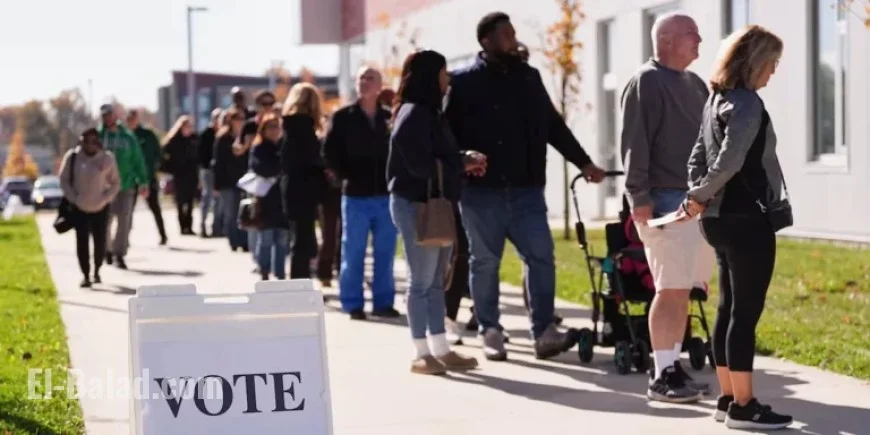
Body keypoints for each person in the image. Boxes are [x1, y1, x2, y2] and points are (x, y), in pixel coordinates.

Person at [445, 12, 605, 361]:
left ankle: (543, 331)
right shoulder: (461, 83)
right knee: (485, 262)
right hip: (480, 193)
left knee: (541, 258)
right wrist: (461, 158)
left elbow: (553, 126)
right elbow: (444, 136)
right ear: (486, 40)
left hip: (526, 190)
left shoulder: (529, 78)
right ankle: (490, 329)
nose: (514, 39)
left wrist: (584, 163)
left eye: (514, 33)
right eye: (506, 34)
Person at [682, 25, 792, 430]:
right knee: (744, 314)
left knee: (728, 309)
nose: (774, 71)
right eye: (772, 63)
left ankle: (729, 399)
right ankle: (745, 407)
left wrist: (697, 194)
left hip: (718, 222)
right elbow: (729, 160)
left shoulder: (717, 100)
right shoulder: (746, 103)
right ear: (755, 61)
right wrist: (701, 194)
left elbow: (697, 155)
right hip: (747, 220)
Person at [620, 12, 714, 402]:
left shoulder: (695, 83)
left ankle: (672, 368)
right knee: (669, 288)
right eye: (693, 34)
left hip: (696, 200)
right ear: (668, 40)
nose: (700, 40)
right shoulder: (645, 81)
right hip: (663, 200)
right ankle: (661, 377)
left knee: (683, 290)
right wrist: (638, 198)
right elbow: (634, 142)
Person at [388, 50, 487, 374]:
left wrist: (462, 158)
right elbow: (418, 163)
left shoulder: (431, 113)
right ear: (431, 76)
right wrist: (457, 164)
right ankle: (421, 352)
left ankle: (441, 348)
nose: (448, 79)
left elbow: (435, 155)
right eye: (444, 72)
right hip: (418, 205)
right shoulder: (413, 112)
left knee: (434, 284)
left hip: (435, 204)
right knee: (421, 282)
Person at [323, 66, 399, 320]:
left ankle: (383, 302)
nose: (365, 82)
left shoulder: (389, 117)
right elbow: (329, 151)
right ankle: (352, 303)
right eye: (361, 78)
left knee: (385, 253)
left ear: (380, 86)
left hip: (386, 196)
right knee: (353, 252)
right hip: (355, 195)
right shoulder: (344, 116)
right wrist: (343, 175)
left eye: (370, 78)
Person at [59, 128, 121, 287]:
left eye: (93, 141)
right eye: (86, 141)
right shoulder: (73, 157)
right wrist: (74, 198)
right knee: (82, 243)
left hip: (100, 207)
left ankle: (97, 271)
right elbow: (64, 180)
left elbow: (115, 183)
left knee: (100, 242)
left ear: (98, 142)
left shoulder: (107, 159)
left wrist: (106, 198)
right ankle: (86, 274)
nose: (89, 145)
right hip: (80, 207)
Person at [281, 83, 328, 279]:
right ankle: (299, 285)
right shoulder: (305, 129)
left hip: (292, 187)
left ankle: (299, 282)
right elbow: (312, 159)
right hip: (306, 189)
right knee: (303, 242)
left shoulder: (288, 126)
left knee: (300, 239)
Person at [97, 103, 148, 270]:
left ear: (115, 116)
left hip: (126, 185)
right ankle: (107, 250)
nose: (107, 118)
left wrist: (143, 181)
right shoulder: (97, 136)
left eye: (110, 115)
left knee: (124, 220)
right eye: (104, 115)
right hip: (103, 188)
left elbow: (138, 159)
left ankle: (120, 253)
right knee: (105, 221)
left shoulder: (127, 137)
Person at [237, 90, 279, 273]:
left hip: (274, 179)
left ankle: (271, 262)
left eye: (271, 103)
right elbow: (238, 147)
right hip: (255, 176)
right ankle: (258, 259)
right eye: (264, 104)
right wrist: (251, 143)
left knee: (273, 223)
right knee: (256, 217)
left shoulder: (278, 123)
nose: (267, 107)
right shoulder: (249, 125)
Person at [249, 113, 291, 280]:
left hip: (283, 199)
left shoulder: (284, 147)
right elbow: (260, 168)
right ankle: (264, 270)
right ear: (263, 130)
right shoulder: (259, 148)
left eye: (277, 127)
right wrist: (277, 169)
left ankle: (280, 273)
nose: (274, 131)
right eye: (271, 127)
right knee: (266, 239)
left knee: (281, 240)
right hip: (265, 200)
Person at [127, 109, 167, 245]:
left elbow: (158, 153)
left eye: (133, 118)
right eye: (129, 119)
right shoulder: (126, 136)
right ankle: (124, 238)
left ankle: (163, 235)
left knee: (155, 207)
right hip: (130, 179)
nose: (131, 121)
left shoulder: (148, 135)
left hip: (148, 177)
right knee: (127, 210)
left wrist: (153, 168)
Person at [212, 107, 249, 251]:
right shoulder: (223, 138)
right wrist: (216, 184)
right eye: (237, 119)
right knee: (231, 213)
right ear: (231, 121)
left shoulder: (245, 137)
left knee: (244, 210)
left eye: (242, 119)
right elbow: (218, 162)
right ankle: (234, 241)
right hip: (227, 181)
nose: (240, 122)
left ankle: (244, 241)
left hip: (243, 180)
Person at [161, 115, 200, 236]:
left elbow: (199, 156)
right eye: (186, 126)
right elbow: (164, 156)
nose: (188, 128)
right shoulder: (173, 140)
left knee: (190, 201)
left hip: (192, 174)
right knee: (179, 201)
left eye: (190, 126)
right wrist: (169, 169)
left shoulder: (195, 139)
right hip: (178, 174)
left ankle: (189, 226)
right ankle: (182, 226)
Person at [198, 108, 224, 238]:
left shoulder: (223, 134)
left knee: (218, 199)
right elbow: (201, 155)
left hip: (219, 170)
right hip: (207, 170)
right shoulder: (205, 134)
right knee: (207, 196)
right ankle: (202, 225)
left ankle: (216, 228)